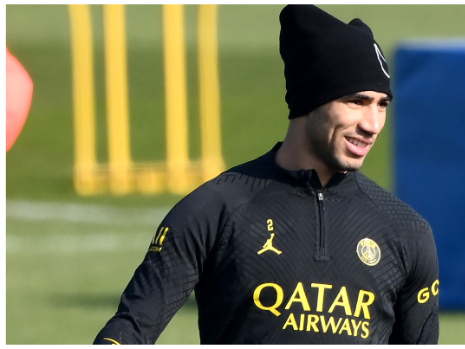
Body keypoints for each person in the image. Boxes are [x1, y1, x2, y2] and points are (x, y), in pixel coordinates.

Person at [94, 4, 439, 344]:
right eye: (356, 101)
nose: (373, 124)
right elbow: (129, 332)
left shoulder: (406, 232)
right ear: (311, 98)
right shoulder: (215, 210)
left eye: (382, 104)